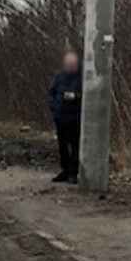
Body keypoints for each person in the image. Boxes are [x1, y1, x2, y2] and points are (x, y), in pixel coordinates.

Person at [48, 50, 83, 183]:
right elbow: (51, 92)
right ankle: (65, 171)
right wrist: (53, 107)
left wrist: (76, 97)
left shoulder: (82, 77)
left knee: (75, 146)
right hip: (60, 116)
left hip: (75, 116)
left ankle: (73, 173)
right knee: (62, 145)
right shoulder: (59, 76)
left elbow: (87, 96)